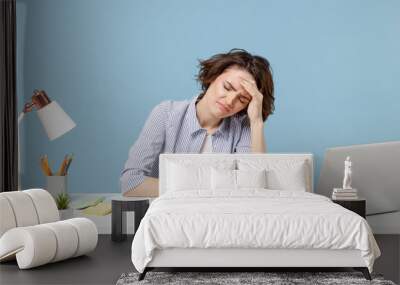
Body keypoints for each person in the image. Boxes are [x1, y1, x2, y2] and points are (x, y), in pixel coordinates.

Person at [120, 48, 275, 197]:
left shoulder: (243, 127)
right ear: (213, 76)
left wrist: (256, 122)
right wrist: (204, 188)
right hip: (169, 215)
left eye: (242, 99)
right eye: (227, 87)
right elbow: (131, 182)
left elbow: (254, 186)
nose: (229, 101)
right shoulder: (166, 114)